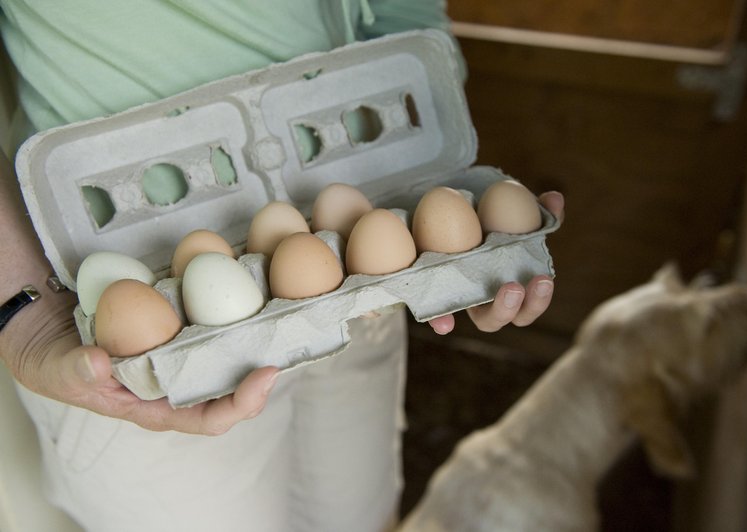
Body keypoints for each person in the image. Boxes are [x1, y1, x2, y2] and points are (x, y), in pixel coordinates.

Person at [0, 2, 564, 531]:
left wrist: (443, 226)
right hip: (154, 347)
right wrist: (27, 322)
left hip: (352, 276)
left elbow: (403, 11)